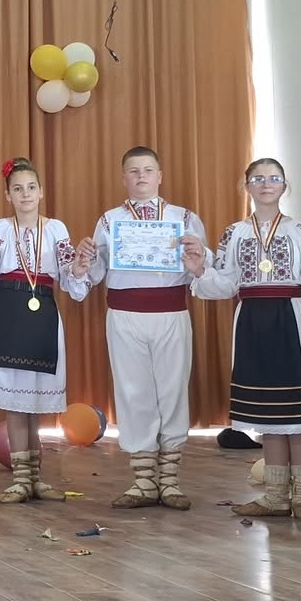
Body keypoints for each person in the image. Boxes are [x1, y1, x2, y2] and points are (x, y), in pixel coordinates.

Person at [187, 158, 301, 519]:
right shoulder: (234, 233)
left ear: (284, 185)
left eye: (274, 178)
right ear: (246, 186)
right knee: (267, 414)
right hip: (251, 321)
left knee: (297, 411)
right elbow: (225, 284)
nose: (266, 184)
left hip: (290, 319)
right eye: (258, 178)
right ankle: (276, 496)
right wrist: (200, 271)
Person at [79, 147, 207, 511]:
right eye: (133, 171)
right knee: (133, 392)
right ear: (124, 178)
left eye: (148, 170)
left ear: (160, 176)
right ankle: (143, 481)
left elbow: (202, 269)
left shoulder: (184, 218)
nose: (141, 177)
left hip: (171, 313)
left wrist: (200, 256)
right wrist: (87, 258)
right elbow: (96, 273)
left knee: (173, 390)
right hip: (124, 314)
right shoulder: (110, 220)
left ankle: (170, 481)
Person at [0, 157, 89, 504]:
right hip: (7, 312)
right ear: (8, 195)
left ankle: (35, 478)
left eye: (31, 187)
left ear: (41, 191)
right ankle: (21, 478)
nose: (25, 194)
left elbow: (69, 275)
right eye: (17, 189)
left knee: (36, 399)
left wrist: (79, 268)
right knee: (15, 400)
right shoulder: (1, 229)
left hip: (42, 313)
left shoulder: (56, 229)